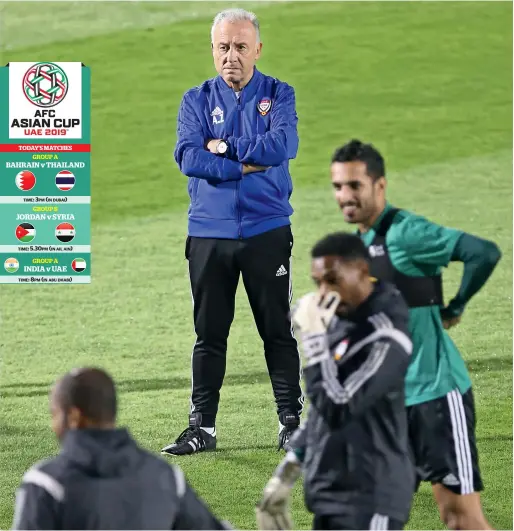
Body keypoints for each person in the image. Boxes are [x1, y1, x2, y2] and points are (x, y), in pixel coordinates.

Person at [329, 139, 501, 530]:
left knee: (460, 518)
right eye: (338, 186)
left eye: (355, 185)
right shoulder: (357, 246)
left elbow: (483, 253)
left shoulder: (407, 233)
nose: (345, 196)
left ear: (379, 186)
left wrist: (455, 306)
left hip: (435, 397)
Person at [165, 7, 302, 456]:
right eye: (223, 47)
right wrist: (247, 163)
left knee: (276, 330)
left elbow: (283, 146)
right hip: (209, 233)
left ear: (257, 49)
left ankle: (292, 422)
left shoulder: (279, 93)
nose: (231, 57)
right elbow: (187, 156)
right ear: (213, 50)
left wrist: (222, 149)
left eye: (241, 47)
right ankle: (202, 427)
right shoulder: (196, 100)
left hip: (267, 230)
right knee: (209, 334)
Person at [256, 233, 416, 530]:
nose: (324, 293)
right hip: (332, 494)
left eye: (333, 281)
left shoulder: (387, 335)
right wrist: (286, 472)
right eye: (318, 283)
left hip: (373, 496)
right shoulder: (340, 321)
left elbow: (338, 406)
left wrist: (314, 342)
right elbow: (320, 410)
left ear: (363, 273)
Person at [12, 368, 229, 530]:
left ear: (74, 417)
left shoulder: (47, 484)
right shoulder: (166, 478)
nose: (53, 424)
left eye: (55, 414)